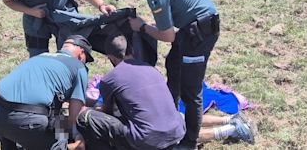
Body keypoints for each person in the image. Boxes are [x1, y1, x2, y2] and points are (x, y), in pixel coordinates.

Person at [105, 0, 220, 149]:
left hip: (199, 33)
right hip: (190, 28)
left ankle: (189, 142)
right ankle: (169, 122)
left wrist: (142, 27)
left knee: (190, 91)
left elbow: (167, 36)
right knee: (173, 68)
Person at [71, 34, 255, 150]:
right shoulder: (152, 70)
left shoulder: (110, 79)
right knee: (169, 118)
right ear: (132, 51)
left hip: (146, 140)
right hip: (177, 129)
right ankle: (231, 125)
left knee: (87, 117)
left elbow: (109, 114)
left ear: (109, 57)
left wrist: (86, 109)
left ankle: (231, 127)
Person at [0, 35, 93, 150]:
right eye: (86, 60)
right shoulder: (79, 67)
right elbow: (73, 118)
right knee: (65, 135)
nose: (85, 63)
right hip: (25, 122)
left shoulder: (41, 56)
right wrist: (77, 137)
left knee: (58, 119)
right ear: (81, 53)